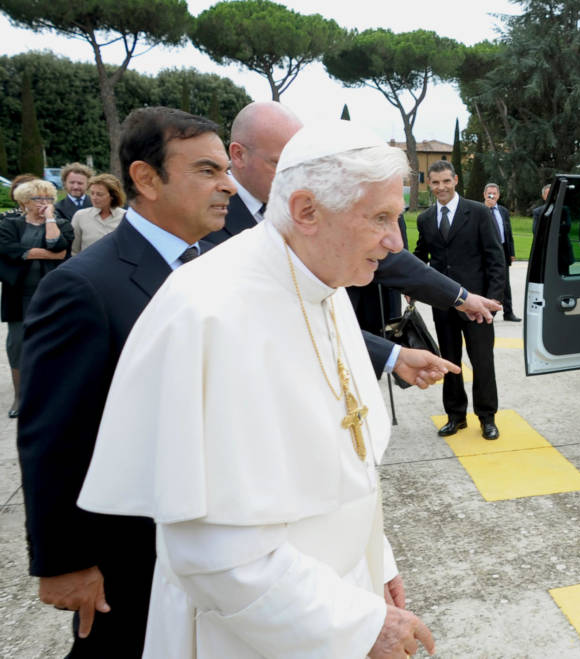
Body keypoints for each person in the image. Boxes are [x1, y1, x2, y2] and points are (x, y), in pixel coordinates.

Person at [77, 119, 440, 658]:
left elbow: (348, 462)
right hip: (259, 630)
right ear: (306, 211)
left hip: (339, 595)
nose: (394, 240)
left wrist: (375, 562)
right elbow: (215, 554)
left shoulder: (324, 281)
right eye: (381, 218)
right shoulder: (210, 312)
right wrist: (354, 625)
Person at [16, 107, 226, 657]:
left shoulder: (215, 268)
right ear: (146, 178)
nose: (227, 184)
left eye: (224, 169)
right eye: (207, 170)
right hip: (131, 554)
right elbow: (55, 436)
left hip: (209, 540)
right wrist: (65, 563)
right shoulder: (84, 287)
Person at [207, 101, 500, 377]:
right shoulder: (204, 221)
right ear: (238, 154)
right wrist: (392, 355)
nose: (297, 176)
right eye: (282, 163)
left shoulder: (315, 222)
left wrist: (458, 299)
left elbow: (328, 319)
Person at [415, 160, 508, 440]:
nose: (441, 187)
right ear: (429, 184)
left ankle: (487, 417)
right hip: (443, 305)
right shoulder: (425, 219)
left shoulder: (478, 212)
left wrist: (493, 299)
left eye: (446, 181)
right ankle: (456, 416)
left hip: (477, 305)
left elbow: (495, 257)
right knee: (449, 361)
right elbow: (421, 256)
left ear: (455, 180)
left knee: (482, 362)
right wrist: (405, 280)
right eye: (435, 182)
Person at [0, 178, 73, 417]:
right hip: (19, 294)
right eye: (39, 199)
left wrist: (50, 218)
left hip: (51, 293)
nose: (45, 203)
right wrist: (44, 254)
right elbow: (7, 250)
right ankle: (20, 398)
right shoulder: (9, 224)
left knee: (54, 341)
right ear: (24, 202)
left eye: (49, 198)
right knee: (18, 344)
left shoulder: (61, 223)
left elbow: (60, 247)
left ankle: (54, 394)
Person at [483, 182, 520, 321]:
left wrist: (511, 252)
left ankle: (508, 312)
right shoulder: (480, 209)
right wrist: (487, 207)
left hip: (502, 250)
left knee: (505, 282)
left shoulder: (503, 211)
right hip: (485, 252)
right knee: (487, 281)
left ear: (498, 195)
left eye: (494, 193)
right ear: (484, 195)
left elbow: (508, 233)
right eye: (489, 193)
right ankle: (488, 311)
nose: (491, 195)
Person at [70, 174, 127, 253]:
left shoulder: (126, 217)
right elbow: (74, 250)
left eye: (99, 194)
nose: (94, 197)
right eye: (92, 193)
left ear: (112, 196)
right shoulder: (80, 216)